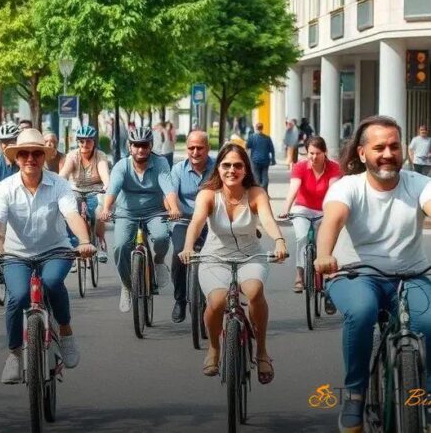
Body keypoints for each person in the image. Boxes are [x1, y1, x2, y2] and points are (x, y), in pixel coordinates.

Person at [314, 116, 431, 432]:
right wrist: (324, 255)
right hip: (355, 275)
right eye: (379, 147)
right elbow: (333, 221)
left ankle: (426, 397)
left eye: (394, 146)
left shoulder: (419, 184)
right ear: (362, 153)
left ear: (403, 149)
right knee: (363, 312)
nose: (388, 154)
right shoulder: (347, 187)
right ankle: (355, 393)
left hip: (411, 275)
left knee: (428, 323)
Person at [0, 128, 96, 384]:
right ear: (16, 157)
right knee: (18, 296)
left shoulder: (59, 184)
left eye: (36, 153)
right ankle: (14, 354)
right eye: (24, 154)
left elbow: (72, 215)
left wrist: (85, 241)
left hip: (55, 250)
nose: (30, 158)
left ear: (44, 156)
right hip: (16, 254)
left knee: (52, 283)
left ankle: (65, 332)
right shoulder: (4, 188)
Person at [179, 143, 287, 383]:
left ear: (245, 169)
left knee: (254, 291)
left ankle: (261, 351)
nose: (231, 170)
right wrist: (188, 247)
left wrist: (279, 241)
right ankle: (214, 348)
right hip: (214, 257)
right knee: (217, 302)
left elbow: (268, 220)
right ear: (218, 168)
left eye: (238, 165)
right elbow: (196, 222)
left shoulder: (256, 193)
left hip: (250, 256)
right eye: (226, 165)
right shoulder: (208, 195)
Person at [99, 126, 174, 312]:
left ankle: (159, 261)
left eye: (144, 145)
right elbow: (113, 189)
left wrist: (175, 208)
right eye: (136, 145)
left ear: (151, 146)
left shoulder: (161, 163)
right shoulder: (121, 166)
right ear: (130, 147)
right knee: (120, 246)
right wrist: (106, 209)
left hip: (154, 212)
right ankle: (127, 285)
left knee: (162, 237)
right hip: (127, 213)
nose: (141, 149)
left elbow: (168, 188)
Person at [278, 136, 340, 295]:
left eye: (318, 153)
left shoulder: (334, 167)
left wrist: (334, 212)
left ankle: (326, 275)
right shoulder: (299, 167)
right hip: (302, 208)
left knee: (326, 240)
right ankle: (299, 275)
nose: (314, 157)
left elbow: (334, 191)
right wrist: (285, 209)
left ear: (325, 152)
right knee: (302, 237)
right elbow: (294, 189)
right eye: (311, 153)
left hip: (325, 209)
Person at [166, 131, 215, 323]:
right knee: (179, 253)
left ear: (207, 149)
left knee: (216, 258)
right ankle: (180, 300)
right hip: (184, 221)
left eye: (199, 148)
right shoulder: (178, 169)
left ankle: (216, 301)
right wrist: (173, 208)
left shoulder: (218, 168)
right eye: (191, 148)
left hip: (211, 222)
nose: (195, 152)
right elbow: (169, 194)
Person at [59, 125, 111, 262]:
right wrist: (58, 184)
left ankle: (100, 242)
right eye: (81, 141)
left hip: (96, 189)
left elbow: (104, 174)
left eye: (88, 141)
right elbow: (64, 174)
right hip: (75, 189)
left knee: (99, 212)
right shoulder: (72, 155)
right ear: (78, 142)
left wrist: (107, 184)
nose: (85, 144)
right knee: (69, 213)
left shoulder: (100, 156)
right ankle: (72, 245)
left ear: (94, 142)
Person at [245, 122, 276, 190]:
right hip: (265, 160)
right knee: (265, 176)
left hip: (255, 160)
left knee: (256, 177)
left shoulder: (252, 137)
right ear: (262, 128)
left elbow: (247, 147)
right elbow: (272, 149)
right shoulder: (267, 138)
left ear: (256, 128)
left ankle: (258, 191)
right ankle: (264, 190)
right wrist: (273, 159)